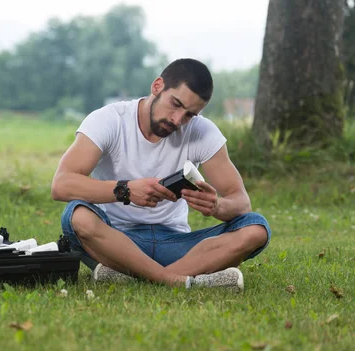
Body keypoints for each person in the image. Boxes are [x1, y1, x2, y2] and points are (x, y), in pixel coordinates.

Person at [51, 58, 271, 291]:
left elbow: (241, 201)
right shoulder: (109, 120)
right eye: (175, 104)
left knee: (256, 228)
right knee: (76, 216)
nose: (178, 120)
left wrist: (217, 206)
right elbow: (62, 184)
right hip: (116, 239)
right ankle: (177, 280)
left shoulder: (202, 132)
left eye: (189, 115)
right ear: (157, 86)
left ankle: (137, 275)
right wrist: (125, 190)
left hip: (177, 244)